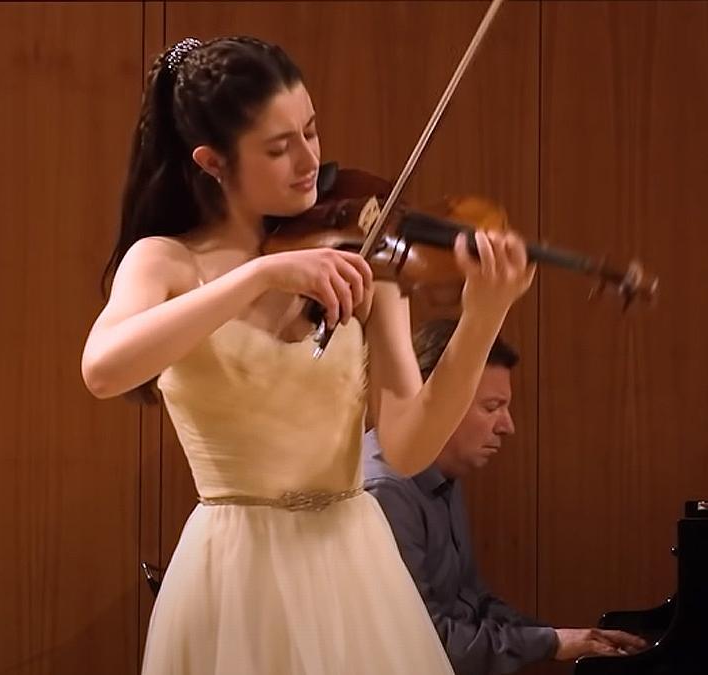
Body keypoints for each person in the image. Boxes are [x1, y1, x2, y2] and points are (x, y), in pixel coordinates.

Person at [80, 36, 535, 675]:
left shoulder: (361, 258)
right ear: (212, 162)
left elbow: (407, 446)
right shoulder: (165, 261)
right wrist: (258, 277)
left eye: (312, 131)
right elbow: (103, 369)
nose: (308, 159)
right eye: (278, 146)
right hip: (232, 569)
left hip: (351, 558)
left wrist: (485, 315)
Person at [363, 320, 647, 675]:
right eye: (492, 407)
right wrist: (553, 643)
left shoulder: (441, 471)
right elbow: (426, 640)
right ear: (433, 401)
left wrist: (563, 638)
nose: (507, 425)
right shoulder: (387, 492)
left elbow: (473, 601)